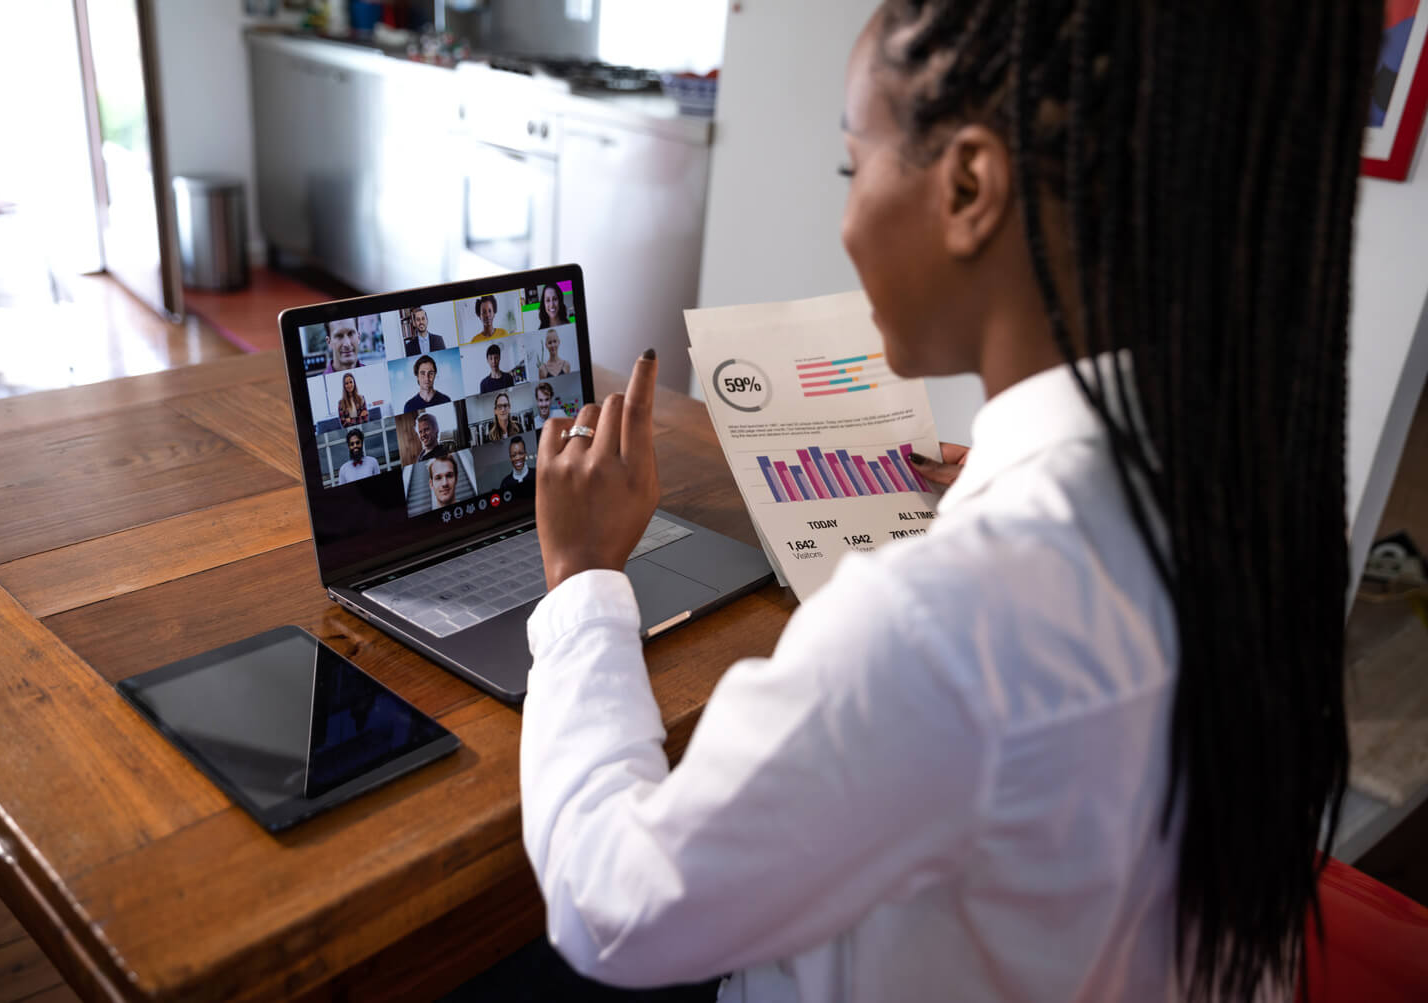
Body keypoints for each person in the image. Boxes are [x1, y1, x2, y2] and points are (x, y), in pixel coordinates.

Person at [518, 2, 1378, 1002]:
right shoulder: (1237, 488)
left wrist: (581, 580)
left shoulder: (942, 620)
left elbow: (609, 906)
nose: (844, 221)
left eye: (853, 166)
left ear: (969, 185)